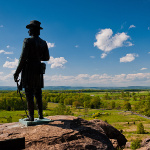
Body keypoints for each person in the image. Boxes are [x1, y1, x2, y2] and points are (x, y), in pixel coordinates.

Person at [14, 20, 50, 121]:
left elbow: (22, 58)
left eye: (30, 29)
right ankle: (41, 115)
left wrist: (16, 73)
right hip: (38, 69)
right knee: (38, 93)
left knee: (29, 93)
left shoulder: (27, 41)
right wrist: (37, 57)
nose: (28, 31)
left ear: (33, 30)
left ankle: (31, 117)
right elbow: (47, 58)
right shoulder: (43, 43)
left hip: (29, 69)